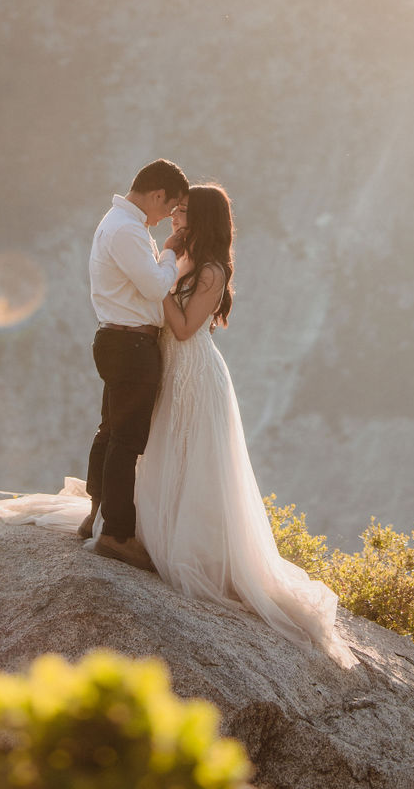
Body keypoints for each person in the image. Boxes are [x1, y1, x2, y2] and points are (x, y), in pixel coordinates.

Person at [132, 183, 356, 667]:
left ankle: (191, 547)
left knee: (191, 455)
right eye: (174, 209)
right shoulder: (183, 255)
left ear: (204, 218)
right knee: (164, 447)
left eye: (184, 211)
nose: (174, 216)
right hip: (175, 367)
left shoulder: (210, 269)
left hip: (194, 371)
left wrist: (157, 285)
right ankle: (155, 530)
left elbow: (186, 326)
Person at [78, 158, 190, 570]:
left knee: (110, 429)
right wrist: (171, 253)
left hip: (117, 339)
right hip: (131, 344)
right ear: (158, 194)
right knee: (127, 439)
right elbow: (156, 284)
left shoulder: (118, 222)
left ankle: (96, 513)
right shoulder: (126, 229)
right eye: (169, 207)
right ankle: (117, 534)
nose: (166, 218)